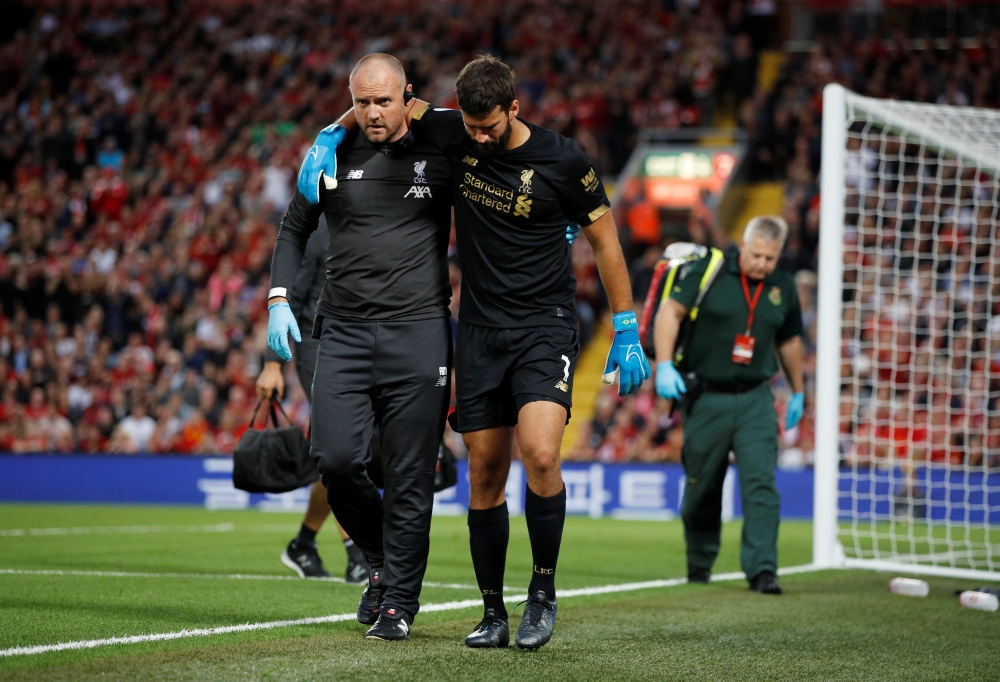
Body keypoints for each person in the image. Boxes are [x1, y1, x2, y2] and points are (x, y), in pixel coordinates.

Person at [330, 55, 650, 649]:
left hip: (543, 327)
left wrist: (626, 325)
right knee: (483, 474)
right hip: (477, 331)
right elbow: (384, 102)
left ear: (514, 109)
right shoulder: (452, 130)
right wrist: (331, 131)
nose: (478, 138)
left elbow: (605, 241)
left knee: (542, 455)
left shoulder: (563, 159)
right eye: (470, 127)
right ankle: (494, 611)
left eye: (489, 127)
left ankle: (543, 594)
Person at [267, 54, 453, 641]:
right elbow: (293, 229)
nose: (373, 113)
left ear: (407, 97)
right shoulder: (330, 156)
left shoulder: (441, 148)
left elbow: (488, 134)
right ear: (351, 98)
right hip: (342, 334)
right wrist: (276, 299)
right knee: (338, 461)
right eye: (362, 101)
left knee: (409, 475)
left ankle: (399, 600)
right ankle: (379, 560)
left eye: (384, 100)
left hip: (419, 333)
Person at [654, 215, 804, 595]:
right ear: (745, 243)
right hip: (707, 398)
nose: (763, 265)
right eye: (757, 256)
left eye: (771, 259)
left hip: (756, 397)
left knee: (761, 484)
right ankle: (700, 562)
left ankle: (763, 570)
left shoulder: (782, 285)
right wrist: (665, 363)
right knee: (702, 486)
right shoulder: (710, 269)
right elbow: (670, 312)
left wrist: (799, 391)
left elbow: (789, 341)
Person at [254, 220, 370, 584]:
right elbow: (291, 297)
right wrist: (272, 364)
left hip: (356, 345)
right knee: (343, 444)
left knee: (339, 453)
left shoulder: (368, 217)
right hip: (317, 347)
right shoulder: (322, 228)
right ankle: (357, 552)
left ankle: (304, 543)